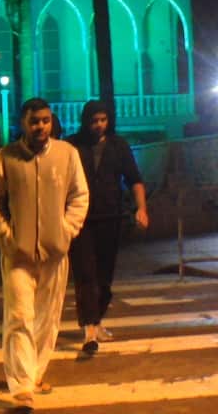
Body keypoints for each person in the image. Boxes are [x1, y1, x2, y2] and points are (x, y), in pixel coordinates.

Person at [0, 97, 89, 406]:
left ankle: (35, 372)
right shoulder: (6, 158)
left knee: (46, 318)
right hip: (17, 255)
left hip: (55, 252)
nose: (41, 126)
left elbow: (79, 195)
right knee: (20, 316)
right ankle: (22, 387)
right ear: (23, 123)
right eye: (34, 121)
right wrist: (6, 233)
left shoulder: (67, 154)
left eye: (45, 120)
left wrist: (66, 229)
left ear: (51, 121)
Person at [66, 100, 148, 354]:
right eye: (94, 121)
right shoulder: (72, 146)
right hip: (80, 220)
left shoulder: (118, 146)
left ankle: (97, 320)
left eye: (103, 120)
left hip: (111, 217)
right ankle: (89, 328)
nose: (99, 125)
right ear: (85, 121)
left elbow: (134, 179)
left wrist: (141, 208)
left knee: (104, 276)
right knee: (85, 274)